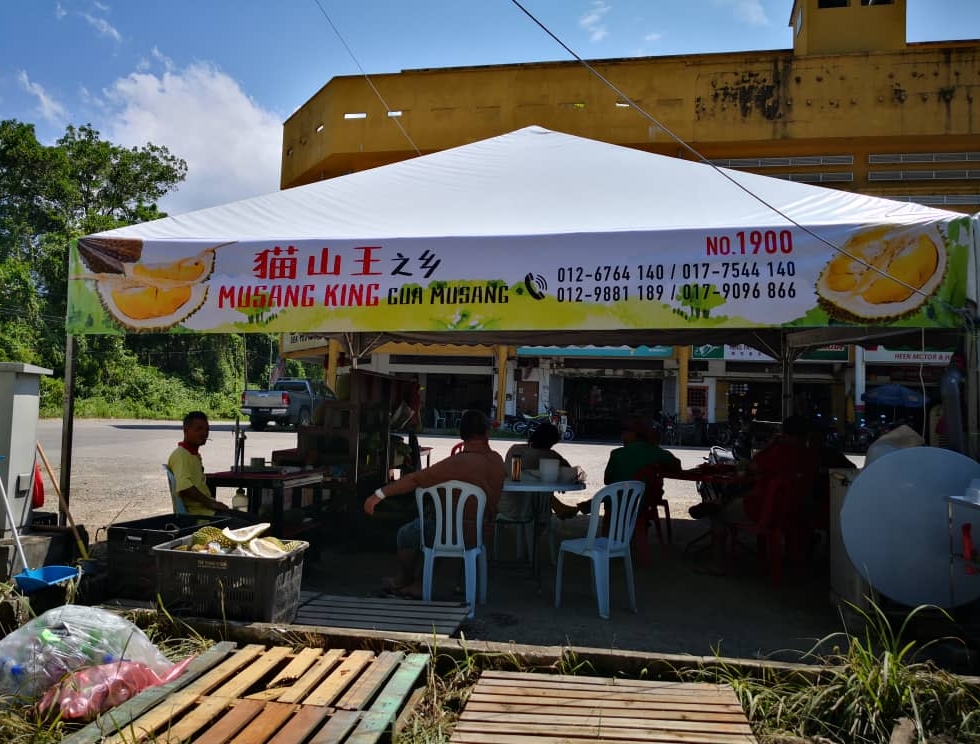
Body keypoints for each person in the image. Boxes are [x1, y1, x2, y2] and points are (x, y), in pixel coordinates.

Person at [363, 409, 505, 599]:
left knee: (409, 533)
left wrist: (379, 495)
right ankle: (420, 583)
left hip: (454, 532)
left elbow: (415, 479)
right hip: (481, 531)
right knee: (443, 526)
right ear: (487, 433)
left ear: (462, 435)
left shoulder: (457, 463)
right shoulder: (497, 461)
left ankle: (404, 579)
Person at [702, 414, 820, 573]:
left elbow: (753, 465)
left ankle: (718, 563)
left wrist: (771, 444)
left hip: (765, 510)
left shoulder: (779, 451)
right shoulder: (810, 455)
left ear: (784, 431)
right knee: (732, 500)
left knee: (717, 513)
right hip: (795, 511)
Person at [167, 411, 259, 526]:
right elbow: (185, 487)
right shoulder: (181, 455)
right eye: (199, 429)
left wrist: (213, 504)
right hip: (199, 515)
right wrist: (211, 503)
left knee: (256, 520)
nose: (204, 433)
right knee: (249, 526)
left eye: (206, 430)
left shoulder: (193, 455)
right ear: (186, 431)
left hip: (208, 510)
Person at [579, 416, 681, 515]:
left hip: (617, 502)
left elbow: (607, 481)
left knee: (614, 493)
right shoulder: (658, 452)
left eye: (624, 432)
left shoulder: (616, 454)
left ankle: (596, 504)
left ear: (633, 435)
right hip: (645, 502)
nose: (622, 436)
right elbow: (677, 467)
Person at [502, 423, 578, 521]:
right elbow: (570, 473)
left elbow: (512, 475)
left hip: (509, 502)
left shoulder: (516, 449)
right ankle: (558, 506)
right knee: (541, 483)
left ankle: (558, 506)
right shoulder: (552, 456)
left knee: (534, 482)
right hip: (536, 508)